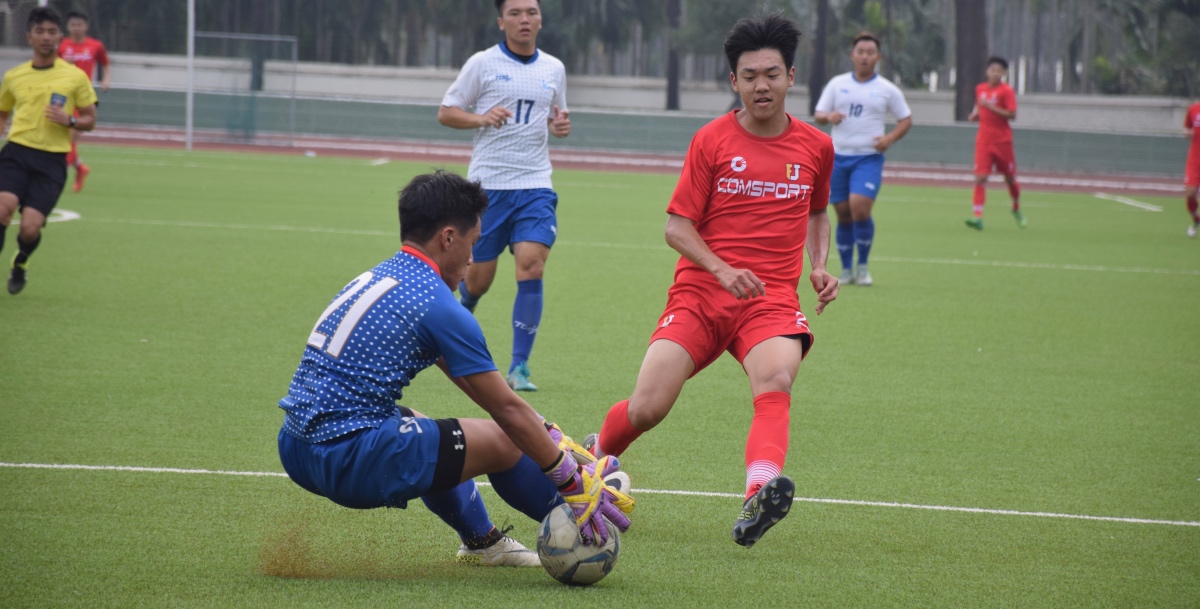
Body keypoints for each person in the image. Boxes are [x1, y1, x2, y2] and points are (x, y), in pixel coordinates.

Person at [276, 170, 632, 568]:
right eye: (474, 243)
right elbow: (508, 414)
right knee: (504, 441)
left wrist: (551, 435)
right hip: (347, 457)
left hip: (295, 446)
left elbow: (485, 390)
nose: (473, 258)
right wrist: (570, 480)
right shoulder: (439, 304)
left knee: (430, 429)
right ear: (448, 237)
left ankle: (483, 542)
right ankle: (588, 526)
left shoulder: (378, 276)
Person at [585, 13, 837, 548]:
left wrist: (818, 264)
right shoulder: (712, 140)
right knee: (647, 407)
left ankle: (758, 492)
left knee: (776, 381)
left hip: (769, 300)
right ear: (734, 82)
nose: (760, 85)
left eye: (771, 74)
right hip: (700, 295)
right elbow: (677, 227)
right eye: (749, 76)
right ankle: (594, 454)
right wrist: (721, 269)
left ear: (791, 77)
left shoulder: (816, 146)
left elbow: (818, 213)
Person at [437, 0, 570, 392]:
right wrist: (481, 117)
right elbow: (446, 112)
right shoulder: (483, 63)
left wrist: (559, 125)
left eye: (531, 12)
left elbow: (555, 116)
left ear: (540, 20)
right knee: (478, 281)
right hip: (488, 186)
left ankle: (519, 367)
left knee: (532, 264)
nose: (524, 19)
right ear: (501, 22)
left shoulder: (554, 68)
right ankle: (466, 308)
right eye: (515, 13)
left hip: (535, 184)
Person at [0, 7, 97, 296]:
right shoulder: (14, 76)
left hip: (51, 161)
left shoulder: (74, 77)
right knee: (2, 209)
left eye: (52, 32)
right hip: (16, 154)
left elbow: (90, 119)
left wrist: (69, 120)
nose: (46, 37)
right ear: (29, 36)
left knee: (29, 228)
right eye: (40, 31)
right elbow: (2, 112)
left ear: (60, 38)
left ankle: (21, 262)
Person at [813, 32, 912, 287]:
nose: (865, 56)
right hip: (837, 157)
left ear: (877, 57)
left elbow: (906, 119)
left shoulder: (887, 89)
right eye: (861, 52)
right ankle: (846, 270)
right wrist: (830, 116)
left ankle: (863, 266)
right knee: (843, 213)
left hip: (868, 158)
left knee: (859, 207)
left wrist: (889, 139)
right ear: (852, 55)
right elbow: (819, 114)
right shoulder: (837, 84)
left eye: (870, 52)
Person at [966, 56, 1025, 230]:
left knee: (1009, 179)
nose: (995, 73)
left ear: (1004, 73)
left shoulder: (1006, 91)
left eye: (999, 71)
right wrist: (975, 114)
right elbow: (979, 106)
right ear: (987, 71)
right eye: (993, 70)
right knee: (980, 178)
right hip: (984, 140)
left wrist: (990, 107)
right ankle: (978, 217)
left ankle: (1015, 207)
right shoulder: (980, 89)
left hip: (1002, 141)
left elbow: (1012, 115)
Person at [57, 10, 109, 193]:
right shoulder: (61, 46)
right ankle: (80, 169)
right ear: (68, 27)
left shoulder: (95, 45)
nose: (76, 28)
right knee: (67, 138)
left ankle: (60, 174)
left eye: (80, 25)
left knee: (71, 137)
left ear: (85, 26)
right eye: (73, 25)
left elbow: (105, 62)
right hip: (63, 97)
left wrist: (106, 79)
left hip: (84, 99)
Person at [1183, 99, 1200, 237]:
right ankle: (1196, 219)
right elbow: (1186, 128)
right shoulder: (1193, 109)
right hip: (1194, 160)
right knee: (1190, 194)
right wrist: (1187, 133)